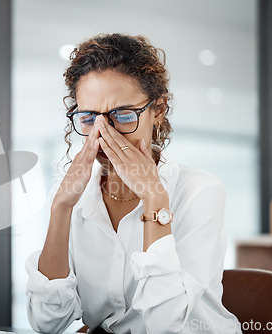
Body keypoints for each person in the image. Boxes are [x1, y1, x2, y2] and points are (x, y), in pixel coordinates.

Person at [25, 33, 242, 334]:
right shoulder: (75, 196)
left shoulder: (200, 192)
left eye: (123, 115)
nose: (102, 135)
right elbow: (47, 322)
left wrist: (155, 200)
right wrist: (60, 208)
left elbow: (166, 326)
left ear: (158, 111)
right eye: (89, 118)